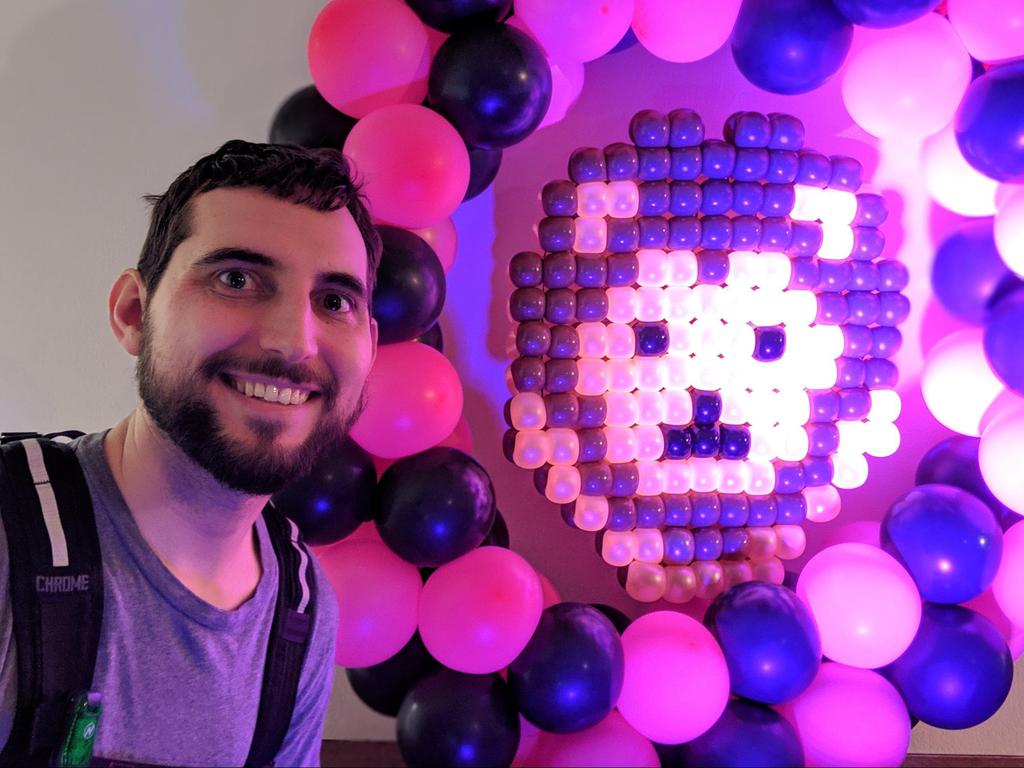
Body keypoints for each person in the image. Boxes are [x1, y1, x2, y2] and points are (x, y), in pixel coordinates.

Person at [0, 140, 381, 766]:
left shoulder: (302, 608)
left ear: (369, 346)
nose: (293, 342)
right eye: (236, 279)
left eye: (334, 300)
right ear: (132, 312)